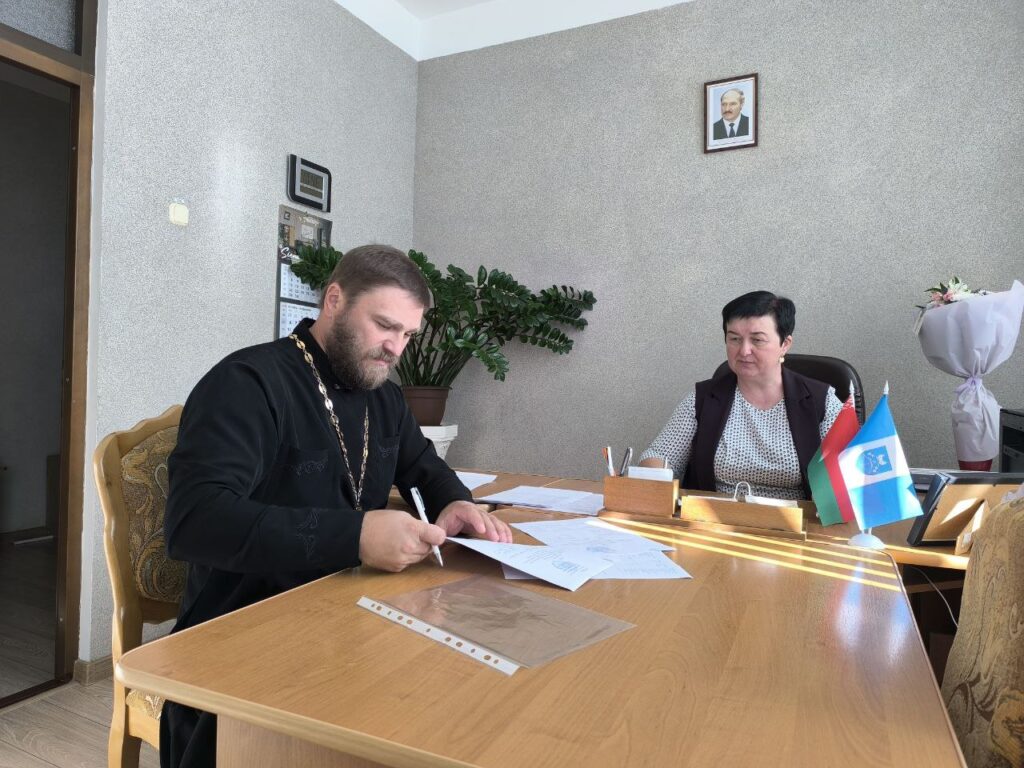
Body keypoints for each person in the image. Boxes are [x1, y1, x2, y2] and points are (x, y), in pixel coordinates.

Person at [160, 244, 512, 768]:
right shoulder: (248, 383)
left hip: (352, 622)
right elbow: (194, 522)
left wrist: (456, 501)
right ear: (334, 300)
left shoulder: (383, 396)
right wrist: (357, 535)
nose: (395, 348)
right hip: (243, 634)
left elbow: (424, 466)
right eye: (384, 326)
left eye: (408, 334)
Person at [639, 291, 843, 500]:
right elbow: (659, 455)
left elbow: (849, 476)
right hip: (714, 515)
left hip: (793, 518)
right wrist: (654, 474)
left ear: (784, 344)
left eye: (757, 340)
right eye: (734, 339)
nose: (744, 351)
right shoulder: (703, 399)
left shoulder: (823, 402)